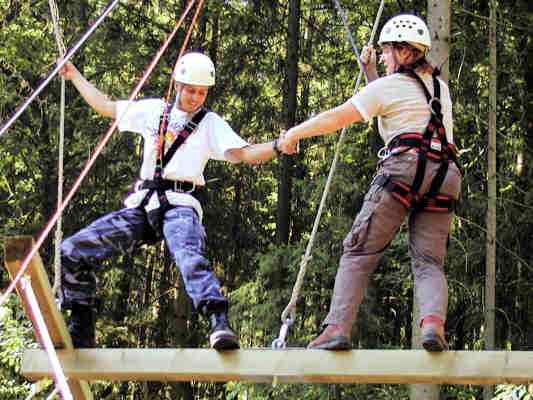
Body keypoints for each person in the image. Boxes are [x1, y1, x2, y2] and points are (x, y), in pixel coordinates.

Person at [58, 52, 281, 350]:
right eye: (190, 90)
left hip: (180, 205)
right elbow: (106, 106)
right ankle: (82, 326)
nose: (195, 98)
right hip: (143, 205)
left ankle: (218, 320)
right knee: (72, 249)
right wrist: (75, 76)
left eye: (202, 92)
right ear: (177, 84)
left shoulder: (209, 123)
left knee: (188, 255)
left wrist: (278, 146)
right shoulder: (152, 111)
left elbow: (244, 154)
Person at [278, 14, 461, 352]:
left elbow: (338, 117)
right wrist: (370, 75)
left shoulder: (388, 87)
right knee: (429, 262)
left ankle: (336, 328)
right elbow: (396, 106)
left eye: (387, 51)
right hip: (444, 175)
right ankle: (434, 325)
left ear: (404, 52)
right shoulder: (440, 89)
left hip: (403, 171)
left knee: (359, 250)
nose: (382, 57)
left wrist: (294, 133)